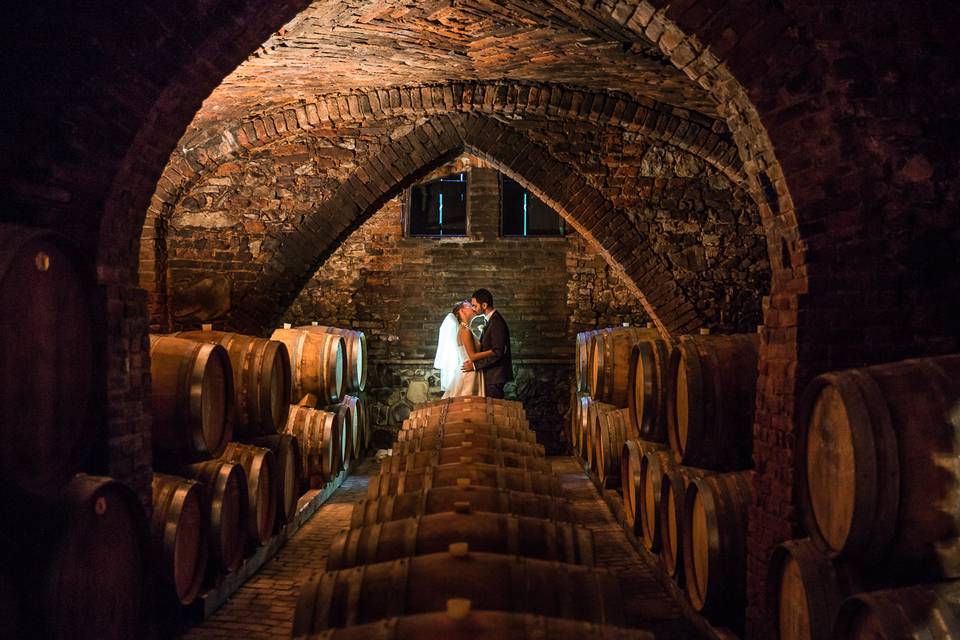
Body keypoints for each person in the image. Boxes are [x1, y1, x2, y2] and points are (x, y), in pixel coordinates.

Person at [434, 300, 493, 398]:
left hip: (471, 370)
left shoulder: (465, 328)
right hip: (469, 372)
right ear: (462, 311)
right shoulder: (465, 330)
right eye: (470, 306)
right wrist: (492, 352)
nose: (473, 308)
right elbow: (472, 356)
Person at [462, 288, 513, 399]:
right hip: (491, 376)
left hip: (495, 376)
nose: (473, 309)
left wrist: (475, 366)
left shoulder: (496, 322)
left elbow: (498, 352)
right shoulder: (491, 320)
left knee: (493, 410)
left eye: (475, 305)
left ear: (484, 305)